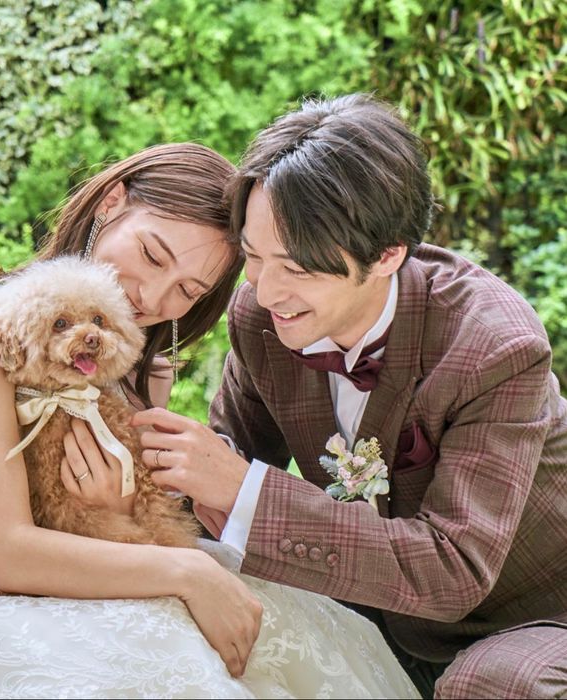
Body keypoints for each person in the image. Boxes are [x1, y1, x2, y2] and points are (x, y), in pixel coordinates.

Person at [0, 142, 419, 698]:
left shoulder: (137, 371)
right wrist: (190, 573)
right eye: (153, 256)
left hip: (76, 584)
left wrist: (121, 512)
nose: (151, 298)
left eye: (188, 291)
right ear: (111, 201)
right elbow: (5, 552)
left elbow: (130, 518)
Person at [130, 97, 567, 699]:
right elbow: (224, 463)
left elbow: (454, 570)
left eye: (297, 269)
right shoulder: (260, 319)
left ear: (388, 254)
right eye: (253, 256)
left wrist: (242, 489)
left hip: (538, 615)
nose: (266, 290)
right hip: (373, 613)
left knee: (489, 685)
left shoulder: (495, 346)